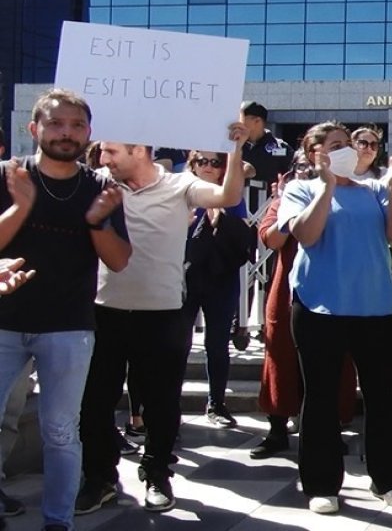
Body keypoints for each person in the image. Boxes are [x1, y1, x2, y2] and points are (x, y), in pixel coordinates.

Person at [76, 125, 246, 516]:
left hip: (163, 313)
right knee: (96, 401)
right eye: (101, 151)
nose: (103, 159)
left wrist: (233, 149)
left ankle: (157, 474)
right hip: (104, 310)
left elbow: (229, 195)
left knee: (162, 401)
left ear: (139, 150)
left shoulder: (180, 184)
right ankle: (99, 478)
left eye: (111, 151)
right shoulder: (98, 184)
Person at [0, 89, 131, 529]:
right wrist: (21, 205)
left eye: (77, 125)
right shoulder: (9, 175)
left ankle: (59, 520)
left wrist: (95, 221)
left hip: (69, 327)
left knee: (60, 432)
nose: (66, 133)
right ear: (34, 129)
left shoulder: (101, 187)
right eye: (56, 123)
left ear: (89, 133)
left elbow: (118, 260)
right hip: (4, 322)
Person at [278, 121, 392, 514]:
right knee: (319, 398)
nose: (347, 150)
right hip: (320, 307)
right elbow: (306, 235)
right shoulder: (299, 188)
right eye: (336, 145)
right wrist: (326, 186)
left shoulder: (374, 189)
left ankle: (389, 478)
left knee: (382, 396)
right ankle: (322, 484)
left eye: (348, 144)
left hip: (374, 307)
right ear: (314, 152)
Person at [248, 152, 359, 460]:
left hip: (335, 290)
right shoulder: (287, 198)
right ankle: (277, 429)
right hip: (289, 290)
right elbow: (271, 240)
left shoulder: (346, 196)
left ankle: (330, 430)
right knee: (280, 359)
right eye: (303, 167)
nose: (310, 171)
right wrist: (287, 204)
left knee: (334, 363)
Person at [181, 150, 256, 429]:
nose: (209, 167)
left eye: (216, 162)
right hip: (184, 276)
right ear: (193, 164)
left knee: (217, 343)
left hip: (220, 276)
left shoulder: (232, 195)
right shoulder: (181, 191)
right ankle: (168, 406)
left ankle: (216, 402)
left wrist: (220, 219)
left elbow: (241, 237)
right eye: (202, 161)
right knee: (180, 343)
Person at [239, 100, 292, 211]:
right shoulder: (233, 146)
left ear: (257, 121)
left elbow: (291, 176)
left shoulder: (280, 147)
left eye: (240, 117)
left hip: (268, 210)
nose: (236, 121)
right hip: (238, 209)